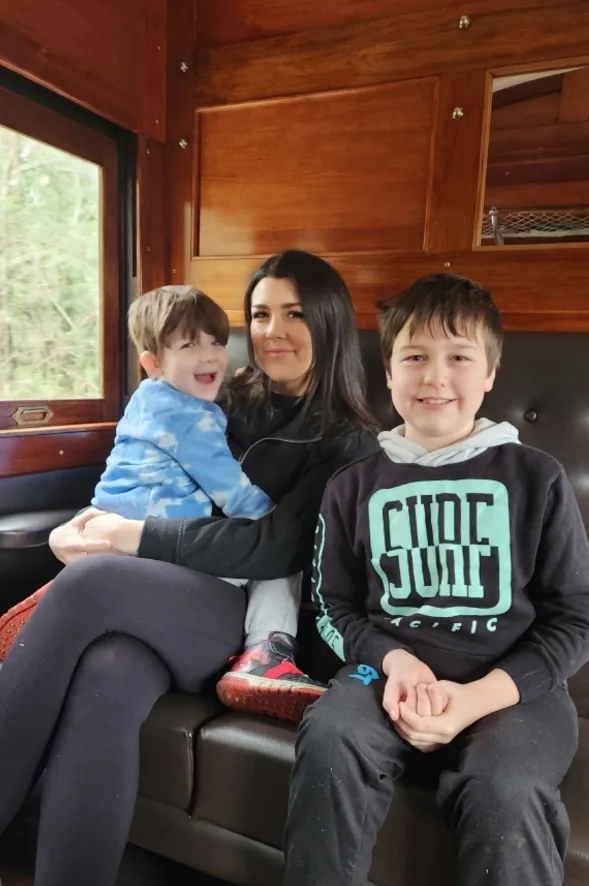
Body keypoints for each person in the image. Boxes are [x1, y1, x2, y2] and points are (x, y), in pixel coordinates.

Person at [0, 250, 377, 886]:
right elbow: (148, 470)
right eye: (260, 314)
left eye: (294, 314)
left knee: (93, 579)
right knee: (109, 670)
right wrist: (84, 522)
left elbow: (272, 547)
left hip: (253, 612)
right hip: (171, 596)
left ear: (330, 321)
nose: (272, 331)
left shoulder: (348, 439)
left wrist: (130, 537)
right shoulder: (224, 391)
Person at [284, 273, 589, 886]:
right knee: (330, 739)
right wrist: (394, 662)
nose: (435, 376)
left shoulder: (538, 478)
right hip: (384, 675)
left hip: (512, 690)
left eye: (459, 357)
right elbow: (333, 608)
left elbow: (576, 621)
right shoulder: (352, 486)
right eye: (416, 357)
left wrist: (476, 699)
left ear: (491, 373)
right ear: (389, 372)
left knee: (505, 791)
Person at [90, 283, 323, 714]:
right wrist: (272, 522)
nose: (210, 355)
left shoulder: (148, 400)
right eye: (189, 345)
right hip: (162, 544)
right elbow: (232, 491)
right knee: (277, 561)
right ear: (152, 363)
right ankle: (268, 654)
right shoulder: (191, 417)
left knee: (113, 665)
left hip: (120, 526)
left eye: (216, 342)